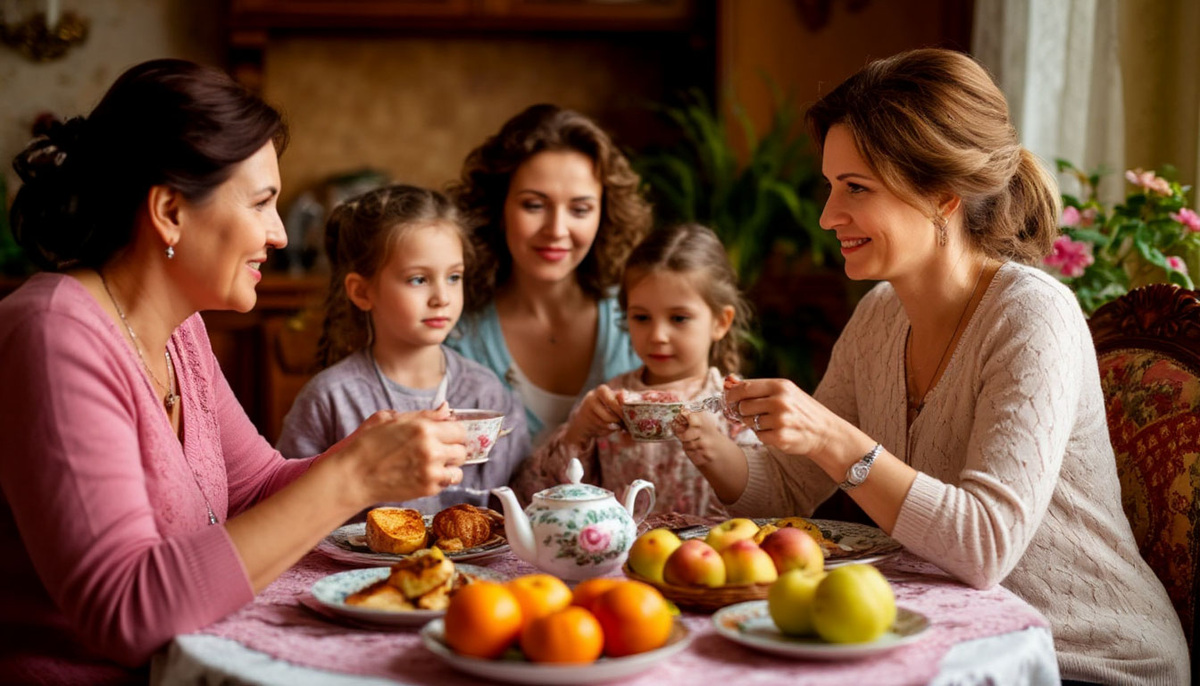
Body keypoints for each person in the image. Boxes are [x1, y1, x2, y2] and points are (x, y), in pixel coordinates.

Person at [693, 48, 1190, 685]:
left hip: (1083, 661)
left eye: (856, 188)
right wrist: (699, 434)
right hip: (955, 648)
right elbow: (785, 490)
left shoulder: (1032, 316)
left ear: (943, 197)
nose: (827, 216)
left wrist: (831, 437)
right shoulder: (880, 314)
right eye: (830, 186)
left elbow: (985, 545)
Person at [0, 60, 466, 682]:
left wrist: (364, 455)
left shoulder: (181, 331)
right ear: (170, 211)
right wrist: (353, 478)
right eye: (262, 203)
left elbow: (254, 490)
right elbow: (124, 614)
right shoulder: (53, 333)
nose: (279, 235)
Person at [276, 184, 530, 511]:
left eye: (454, 277)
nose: (442, 297)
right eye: (418, 279)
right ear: (362, 292)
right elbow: (287, 505)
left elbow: (515, 504)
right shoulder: (330, 398)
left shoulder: (487, 394)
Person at [513, 224, 757, 516]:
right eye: (641, 317)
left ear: (720, 322)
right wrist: (578, 433)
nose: (658, 335)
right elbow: (531, 497)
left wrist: (718, 450)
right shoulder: (606, 405)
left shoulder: (738, 408)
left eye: (679, 318)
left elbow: (767, 504)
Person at [447, 104, 653, 442]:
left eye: (580, 209)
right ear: (498, 207)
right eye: (534, 205)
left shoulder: (641, 317)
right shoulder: (453, 331)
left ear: (605, 214)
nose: (557, 229)